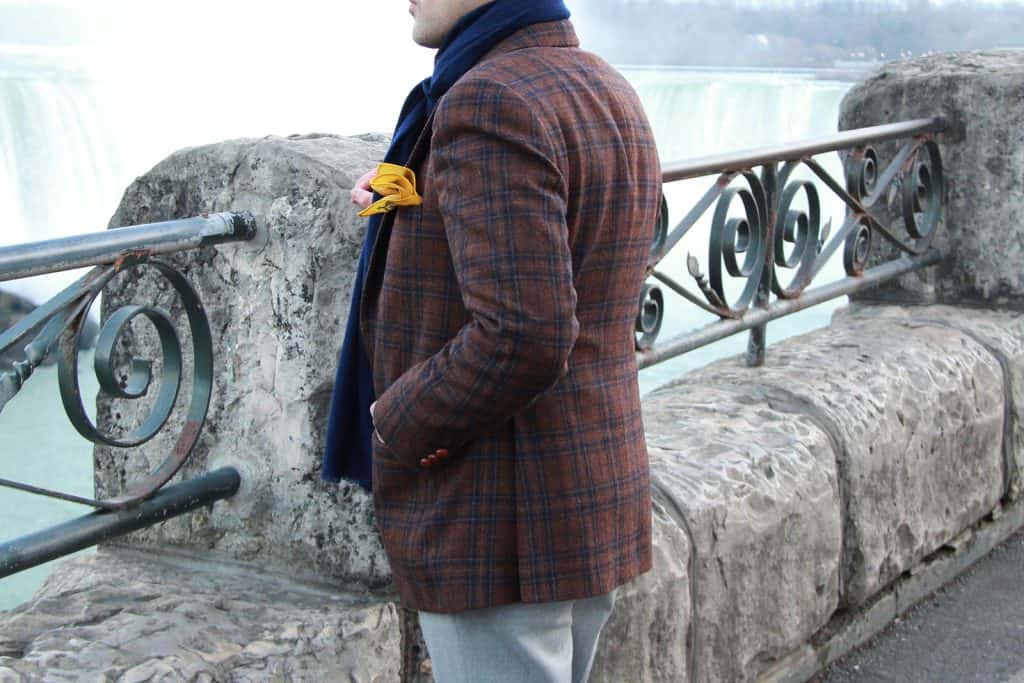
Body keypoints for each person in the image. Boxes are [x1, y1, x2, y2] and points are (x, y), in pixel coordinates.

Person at [322, 1, 662, 680]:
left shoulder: (488, 102)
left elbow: (525, 333)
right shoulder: (602, 84)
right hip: (586, 492)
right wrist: (411, 186)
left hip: (500, 519)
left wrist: (394, 422)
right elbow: (572, 236)